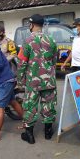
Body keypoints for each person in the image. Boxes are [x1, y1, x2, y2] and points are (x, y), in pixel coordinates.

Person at [17, 14, 58, 144]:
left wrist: (20, 81)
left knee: (30, 106)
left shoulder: (27, 41)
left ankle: (30, 136)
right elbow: (54, 60)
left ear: (32, 25)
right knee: (48, 105)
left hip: (32, 82)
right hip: (49, 80)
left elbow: (22, 63)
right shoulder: (51, 40)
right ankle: (48, 133)